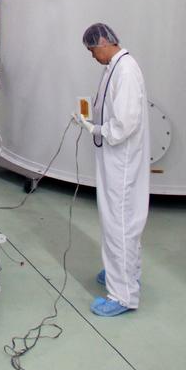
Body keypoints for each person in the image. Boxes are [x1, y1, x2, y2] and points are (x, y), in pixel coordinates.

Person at [77, 22, 150, 317]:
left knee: (118, 224)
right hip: (115, 158)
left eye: (92, 50)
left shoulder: (126, 71)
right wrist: (90, 119)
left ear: (104, 43)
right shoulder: (114, 67)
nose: (92, 56)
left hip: (122, 161)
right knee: (122, 222)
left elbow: (124, 124)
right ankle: (124, 273)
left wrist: (96, 129)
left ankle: (123, 295)